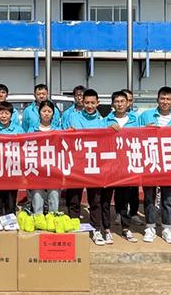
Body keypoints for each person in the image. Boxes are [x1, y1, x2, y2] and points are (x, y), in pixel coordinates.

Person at [137, 87, 171, 244]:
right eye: (162, 98)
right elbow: (133, 134)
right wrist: (145, 130)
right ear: (157, 99)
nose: (165, 102)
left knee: (168, 198)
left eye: (168, 99)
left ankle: (167, 228)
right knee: (149, 197)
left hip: (170, 162)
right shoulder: (146, 115)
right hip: (151, 161)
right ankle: (150, 227)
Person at [69, 89, 109, 246]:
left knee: (95, 200)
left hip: (95, 165)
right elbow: (77, 135)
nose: (90, 106)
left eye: (93, 103)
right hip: (77, 164)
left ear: (98, 103)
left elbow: (107, 136)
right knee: (74, 198)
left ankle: (96, 229)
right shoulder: (74, 117)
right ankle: (73, 226)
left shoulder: (103, 121)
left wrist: (113, 127)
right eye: (87, 103)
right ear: (82, 102)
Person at [106, 91, 140, 243]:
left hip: (127, 165)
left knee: (124, 198)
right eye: (117, 101)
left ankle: (126, 228)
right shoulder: (105, 121)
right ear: (113, 104)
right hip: (109, 166)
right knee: (106, 199)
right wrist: (108, 129)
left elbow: (142, 137)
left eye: (122, 101)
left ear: (128, 103)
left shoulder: (135, 120)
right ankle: (106, 229)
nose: (119, 104)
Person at [0, 100, 24, 215]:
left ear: (11, 115)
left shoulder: (18, 130)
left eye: (7, 113)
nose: (4, 116)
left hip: (12, 169)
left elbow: (23, 147)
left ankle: (10, 220)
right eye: (1, 113)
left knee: (10, 201)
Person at [27, 100, 62, 217]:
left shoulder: (58, 130)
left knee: (54, 195)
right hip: (37, 167)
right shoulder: (32, 130)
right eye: (44, 111)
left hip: (54, 167)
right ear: (39, 112)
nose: (46, 113)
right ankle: (38, 219)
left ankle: (53, 218)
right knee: (37, 195)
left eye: (49, 111)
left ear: (53, 114)